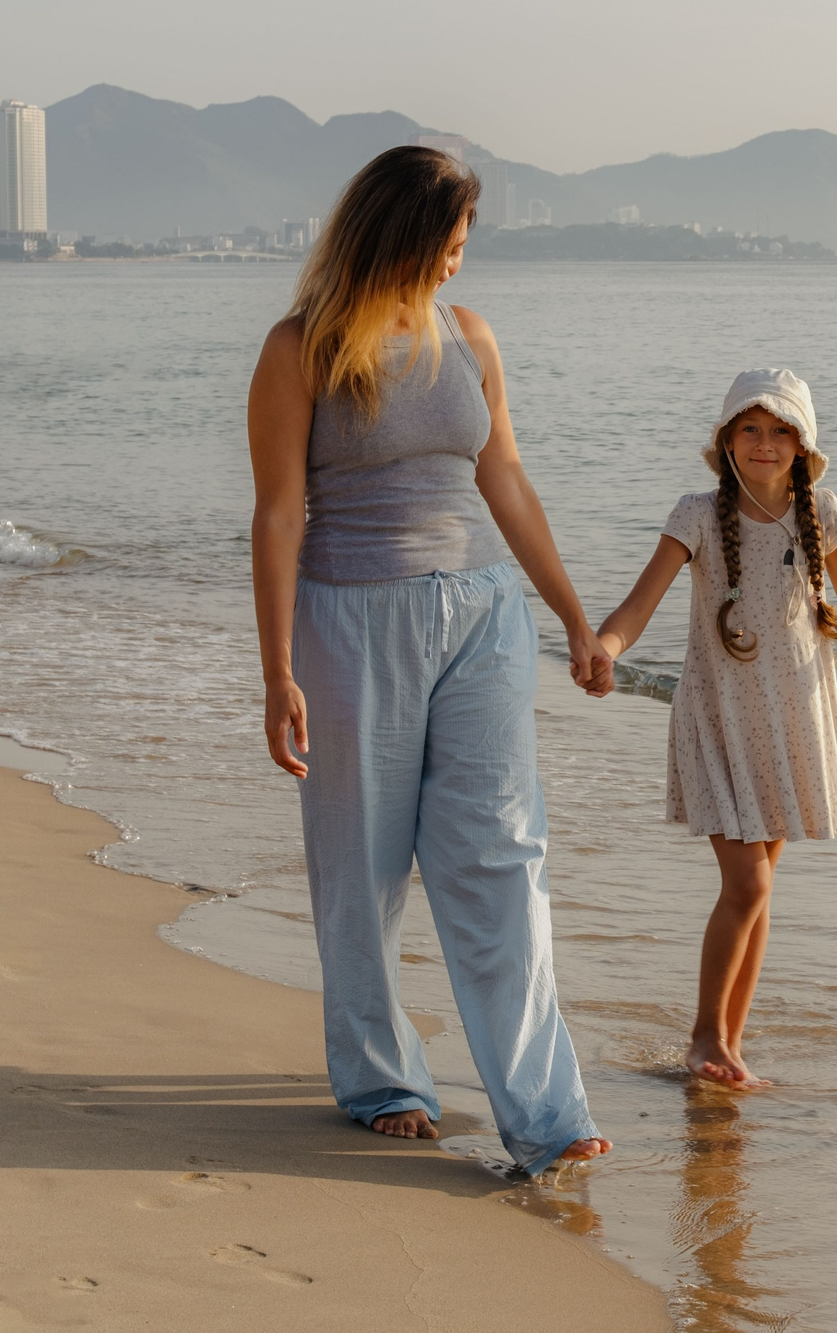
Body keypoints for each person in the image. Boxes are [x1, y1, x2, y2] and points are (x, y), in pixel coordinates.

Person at [246, 144, 612, 1175]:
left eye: (464, 248)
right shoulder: (300, 348)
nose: (457, 265)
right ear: (401, 239)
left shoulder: (472, 337)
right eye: (447, 246)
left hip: (484, 618)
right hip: (350, 617)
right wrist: (277, 670)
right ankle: (383, 1077)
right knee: (360, 865)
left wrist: (574, 618)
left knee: (502, 855)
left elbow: (507, 481)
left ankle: (544, 1109)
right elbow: (279, 516)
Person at [589, 369, 837, 1088]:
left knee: (760, 887)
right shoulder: (698, 515)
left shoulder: (823, 513)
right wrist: (606, 649)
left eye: (780, 432)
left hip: (791, 718)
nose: (765, 445)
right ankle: (705, 1034)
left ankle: (730, 1043)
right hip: (719, 718)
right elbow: (639, 602)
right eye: (750, 429)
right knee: (746, 884)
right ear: (725, 440)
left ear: (803, 446)